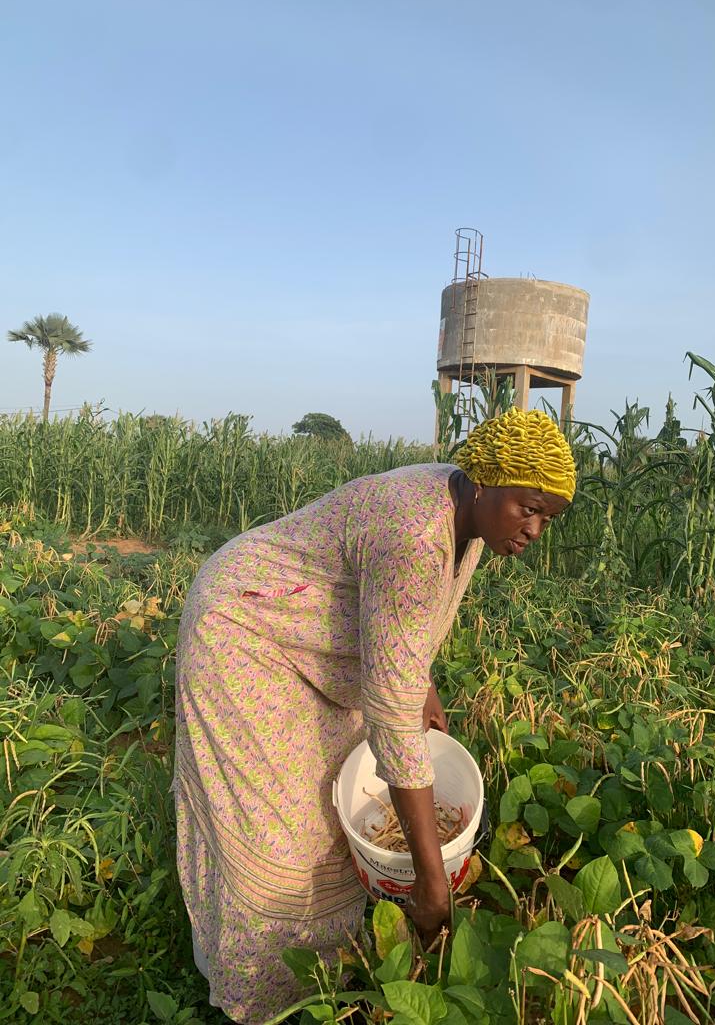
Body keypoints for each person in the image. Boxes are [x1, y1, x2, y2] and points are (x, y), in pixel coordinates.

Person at [173, 408, 576, 1023]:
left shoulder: (464, 511)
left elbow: (401, 621)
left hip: (304, 634)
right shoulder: (419, 531)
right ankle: (263, 997)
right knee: (279, 828)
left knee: (332, 805)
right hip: (244, 628)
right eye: (528, 508)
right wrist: (431, 873)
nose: (535, 529)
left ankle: (327, 980)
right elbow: (390, 708)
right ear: (485, 482)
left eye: (547, 516)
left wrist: (422, 679)